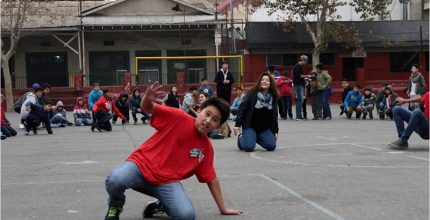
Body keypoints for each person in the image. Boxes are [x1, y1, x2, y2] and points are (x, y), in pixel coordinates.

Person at [103, 82, 242, 220]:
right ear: (199, 111)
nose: (208, 120)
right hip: (140, 166)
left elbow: (211, 179)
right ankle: (115, 206)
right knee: (115, 180)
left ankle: (162, 205)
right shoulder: (179, 117)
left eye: (215, 120)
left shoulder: (206, 149)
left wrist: (223, 208)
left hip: (166, 181)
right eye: (207, 114)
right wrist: (147, 98)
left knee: (186, 215)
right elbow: (148, 108)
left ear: (218, 126)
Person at [234, 72, 279, 152]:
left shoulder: (273, 97)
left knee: (271, 146)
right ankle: (241, 138)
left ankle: (252, 137)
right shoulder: (252, 92)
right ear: (259, 82)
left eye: (267, 80)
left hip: (264, 128)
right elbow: (242, 108)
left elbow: (274, 115)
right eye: (262, 80)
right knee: (249, 147)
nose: (264, 81)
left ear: (271, 84)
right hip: (250, 126)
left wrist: (275, 131)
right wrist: (237, 124)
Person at [292, 55, 310, 120]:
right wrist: (307, 76)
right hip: (298, 85)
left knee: (301, 100)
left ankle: (299, 115)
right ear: (303, 60)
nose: (306, 63)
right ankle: (298, 116)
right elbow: (299, 76)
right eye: (306, 62)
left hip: (300, 84)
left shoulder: (299, 66)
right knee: (300, 100)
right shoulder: (297, 66)